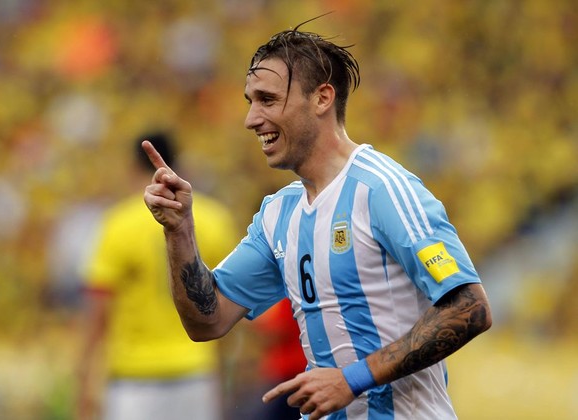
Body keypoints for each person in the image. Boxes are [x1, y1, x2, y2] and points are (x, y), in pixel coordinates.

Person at [142, 21, 493, 420]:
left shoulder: (381, 189)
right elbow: (208, 321)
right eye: (250, 102)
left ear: (322, 98)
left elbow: (469, 307)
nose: (251, 119)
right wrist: (179, 230)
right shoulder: (279, 214)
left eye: (267, 100)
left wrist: (352, 379)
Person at [75, 132, 239, 420]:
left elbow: (99, 311)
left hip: (134, 378)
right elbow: (232, 303)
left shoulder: (118, 223)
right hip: (196, 372)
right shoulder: (215, 220)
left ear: (132, 166)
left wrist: (84, 377)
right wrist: (225, 375)